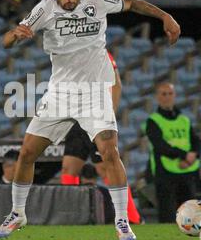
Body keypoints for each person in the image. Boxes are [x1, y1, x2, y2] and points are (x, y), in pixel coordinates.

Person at [0, 0, 180, 240]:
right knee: (27, 153)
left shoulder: (95, 0)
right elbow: (8, 39)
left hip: (94, 93)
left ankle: (121, 221)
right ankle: (17, 213)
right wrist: (14, 36)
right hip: (59, 94)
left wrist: (165, 16)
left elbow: (133, 4)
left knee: (109, 151)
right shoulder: (44, 9)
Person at [60, 51, 142, 224]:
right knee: (69, 169)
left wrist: (107, 115)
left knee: (106, 169)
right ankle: (71, 216)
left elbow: (116, 84)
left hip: (97, 117)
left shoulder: (100, 53)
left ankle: (133, 218)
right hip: (76, 120)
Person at [145, 82, 201, 223]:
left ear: (175, 95)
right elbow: (160, 146)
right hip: (165, 173)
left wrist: (193, 156)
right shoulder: (153, 121)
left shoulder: (184, 119)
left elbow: (196, 141)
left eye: (170, 93)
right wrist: (185, 155)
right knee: (167, 215)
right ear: (157, 97)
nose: (167, 97)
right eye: (163, 94)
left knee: (190, 215)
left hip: (186, 171)